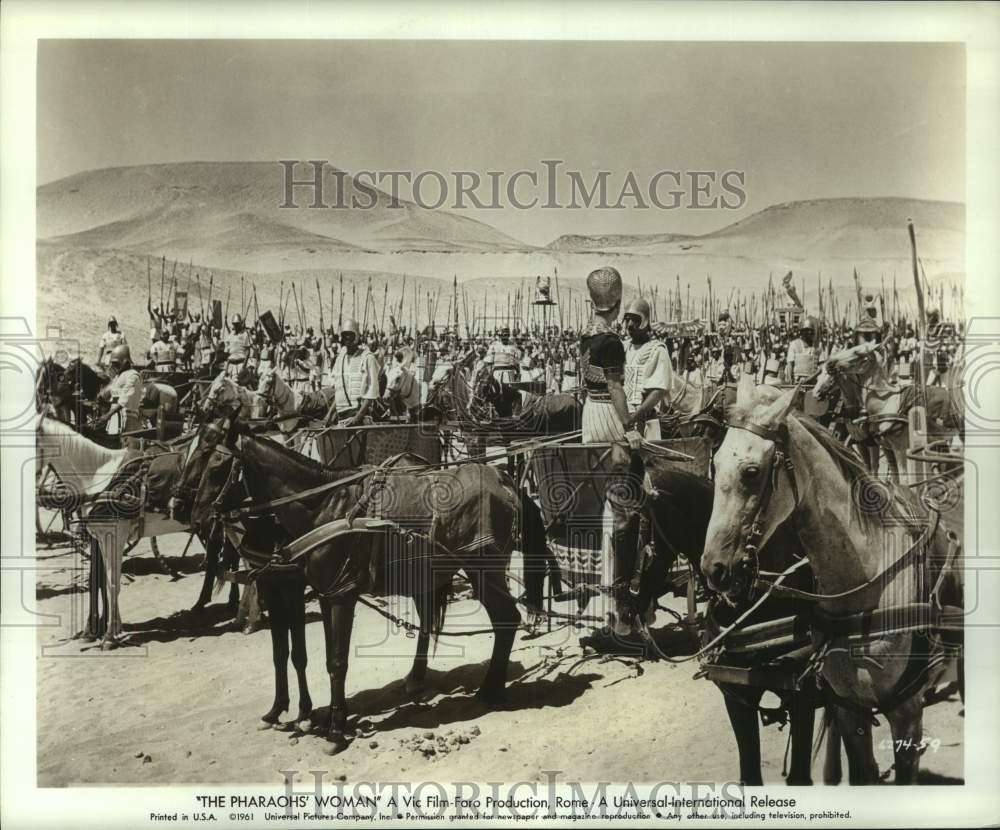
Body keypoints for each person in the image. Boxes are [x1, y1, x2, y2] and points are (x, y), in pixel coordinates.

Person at [622, 297, 672, 441]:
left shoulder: (657, 350)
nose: (630, 324)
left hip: (645, 421)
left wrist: (634, 417)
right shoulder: (623, 347)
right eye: (627, 319)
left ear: (645, 322)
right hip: (623, 419)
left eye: (635, 320)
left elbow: (659, 390)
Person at [326, 318, 380, 426]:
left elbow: (371, 394)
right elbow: (339, 392)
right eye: (345, 336)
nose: (347, 339)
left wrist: (357, 418)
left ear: (356, 336)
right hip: (342, 419)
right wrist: (328, 416)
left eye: (350, 335)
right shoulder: (339, 359)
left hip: (361, 419)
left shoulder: (367, 358)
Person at [96, 344, 143, 441]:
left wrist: (108, 415)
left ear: (125, 362)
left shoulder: (133, 376)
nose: (114, 366)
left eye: (116, 364)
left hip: (128, 419)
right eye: (113, 363)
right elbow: (110, 395)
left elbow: (124, 399)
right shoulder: (118, 376)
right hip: (115, 418)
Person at [784, 316, 819, 382]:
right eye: (806, 330)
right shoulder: (794, 344)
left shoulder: (817, 346)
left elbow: (821, 365)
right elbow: (790, 363)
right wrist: (790, 379)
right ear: (801, 331)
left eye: (810, 330)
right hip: (797, 381)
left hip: (813, 381)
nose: (808, 333)